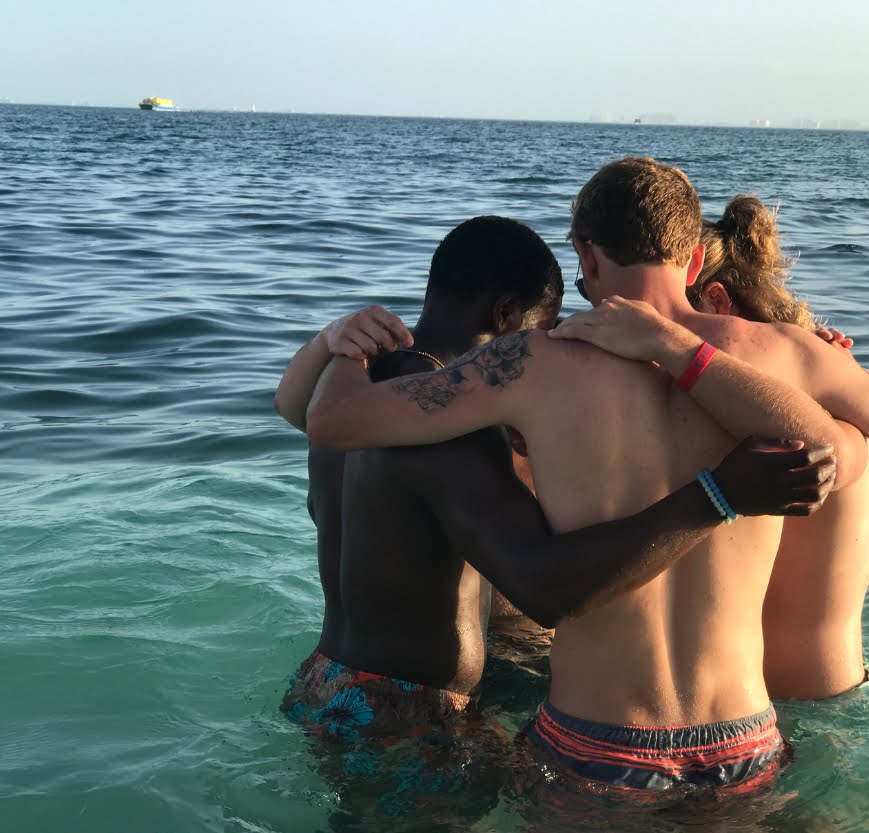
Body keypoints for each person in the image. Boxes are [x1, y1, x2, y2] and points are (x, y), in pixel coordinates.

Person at [302, 158, 869, 801]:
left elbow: (334, 422)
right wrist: (720, 355)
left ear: (587, 255)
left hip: (589, 746)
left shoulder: (531, 362)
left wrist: (345, 342)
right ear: (693, 257)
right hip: (746, 742)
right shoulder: (789, 355)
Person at [274, 215, 837, 743]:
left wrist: (333, 341)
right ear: (505, 318)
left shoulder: (352, 398)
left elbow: (292, 407)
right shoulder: (452, 437)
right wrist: (720, 495)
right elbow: (544, 588)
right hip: (410, 719)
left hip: (325, 680)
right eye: (540, 338)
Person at [690, 195, 869, 699]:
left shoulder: (690, 405)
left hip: (744, 704)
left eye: (673, 310)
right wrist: (847, 376)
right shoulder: (830, 386)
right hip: (836, 692)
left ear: (717, 301)